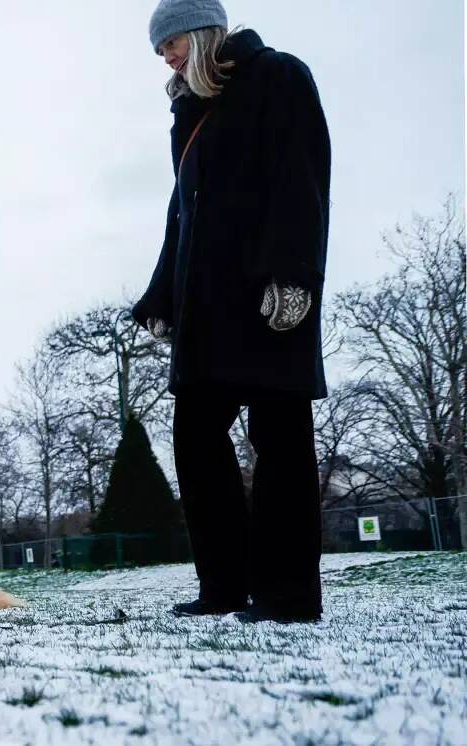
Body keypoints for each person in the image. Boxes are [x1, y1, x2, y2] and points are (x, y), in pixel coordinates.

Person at [132, 0, 331, 622]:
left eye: (170, 43)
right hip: (204, 309)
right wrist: (162, 296)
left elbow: (302, 180)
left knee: (280, 442)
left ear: (199, 33)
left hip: (267, 296)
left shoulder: (279, 76)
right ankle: (223, 588)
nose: (164, 56)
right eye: (159, 50)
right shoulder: (188, 112)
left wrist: (294, 277)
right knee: (194, 440)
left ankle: (288, 596)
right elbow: (180, 216)